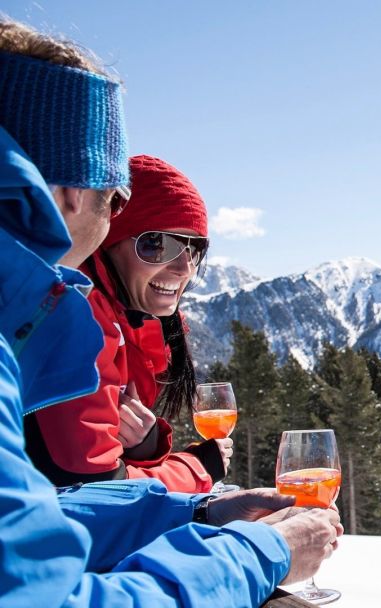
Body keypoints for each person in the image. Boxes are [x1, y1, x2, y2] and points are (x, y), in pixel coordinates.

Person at [0, 19, 341, 607]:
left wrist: (198, 507)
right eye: (119, 202)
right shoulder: (53, 326)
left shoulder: (36, 322)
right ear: (71, 196)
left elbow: (38, 515)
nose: (181, 266)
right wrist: (259, 553)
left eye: (195, 250)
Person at [26, 154, 230, 493]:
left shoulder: (133, 327)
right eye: (157, 244)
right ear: (109, 240)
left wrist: (143, 447)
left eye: (195, 249)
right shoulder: (83, 320)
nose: (184, 268)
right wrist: (197, 469)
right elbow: (95, 491)